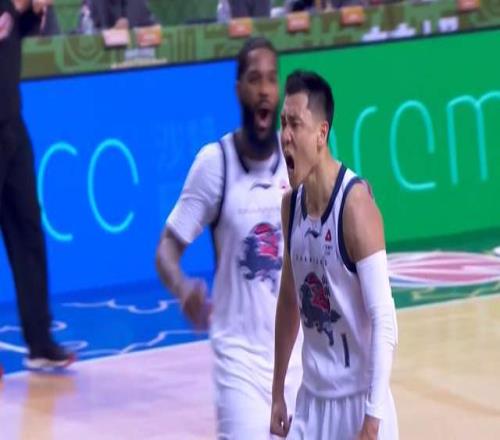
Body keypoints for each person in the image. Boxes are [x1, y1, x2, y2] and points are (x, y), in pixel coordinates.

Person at [156, 37, 301, 439]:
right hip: (239, 362)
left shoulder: (297, 161)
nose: (264, 89)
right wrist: (182, 287)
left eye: (271, 79)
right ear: (239, 89)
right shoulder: (215, 164)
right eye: (255, 79)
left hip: (298, 359)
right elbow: (167, 248)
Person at [270, 70, 398, 439]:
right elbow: (289, 302)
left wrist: (373, 419)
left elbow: (385, 320)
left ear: (321, 134)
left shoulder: (355, 206)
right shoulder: (290, 206)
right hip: (312, 404)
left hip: (359, 405)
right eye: (283, 123)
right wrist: (277, 392)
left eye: (295, 124)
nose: (285, 135)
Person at [0, 0, 75, 373]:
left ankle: (40, 340)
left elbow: (25, 27)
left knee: (28, 228)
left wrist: (34, 9)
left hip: (10, 121)